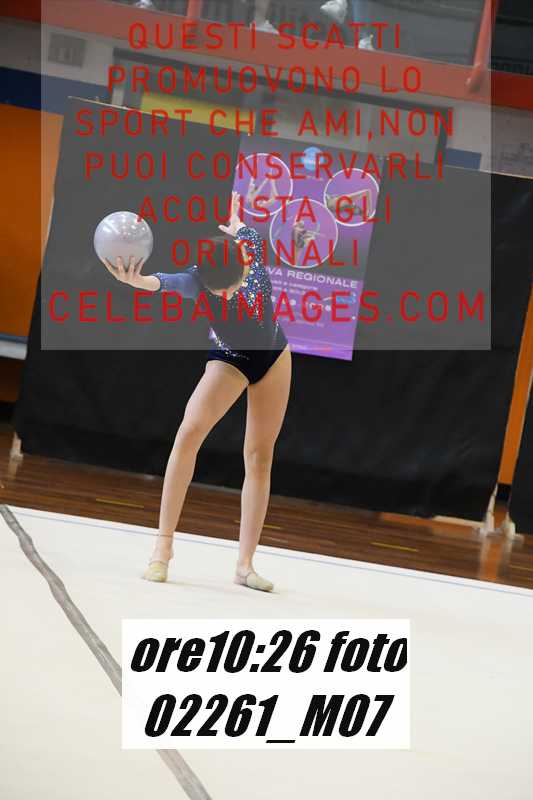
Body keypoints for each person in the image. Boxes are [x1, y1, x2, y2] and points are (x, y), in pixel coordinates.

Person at [101, 192, 291, 593]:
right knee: (188, 434)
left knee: (259, 456)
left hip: (273, 355)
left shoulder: (251, 255)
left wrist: (238, 222)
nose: (224, 297)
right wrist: (136, 281)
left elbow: (249, 234)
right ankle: (162, 549)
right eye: (217, 292)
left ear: (243, 266)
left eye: (229, 289)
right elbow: (164, 282)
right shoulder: (197, 281)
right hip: (230, 357)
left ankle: (244, 565)